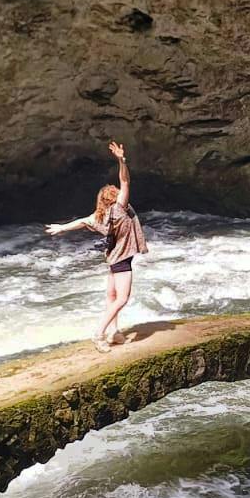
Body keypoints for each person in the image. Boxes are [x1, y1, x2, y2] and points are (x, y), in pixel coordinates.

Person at [45, 141, 148, 351]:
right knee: (122, 299)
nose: (120, 192)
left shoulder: (99, 216)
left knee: (111, 296)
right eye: (116, 192)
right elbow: (125, 180)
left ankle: (114, 332)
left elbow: (82, 222)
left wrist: (62, 228)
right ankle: (99, 333)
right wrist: (121, 160)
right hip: (122, 259)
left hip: (112, 257)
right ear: (115, 197)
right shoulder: (120, 209)